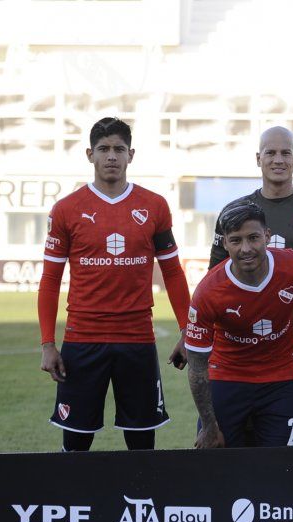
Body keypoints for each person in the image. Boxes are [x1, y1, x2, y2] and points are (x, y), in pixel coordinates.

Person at [38, 117, 190, 451]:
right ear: (89, 154)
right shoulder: (66, 209)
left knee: (141, 441)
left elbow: (173, 273)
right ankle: (75, 502)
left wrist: (187, 330)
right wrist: (48, 343)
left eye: (118, 149)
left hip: (137, 340)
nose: (111, 156)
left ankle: (141, 503)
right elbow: (50, 279)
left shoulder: (154, 205)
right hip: (82, 340)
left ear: (130, 155)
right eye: (104, 149)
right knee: (76, 441)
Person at [210, 126, 293, 445]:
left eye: (286, 152)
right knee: (241, 437)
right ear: (258, 159)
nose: (278, 159)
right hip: (245, 350)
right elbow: (214, 278)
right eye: (270, 153)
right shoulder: (234, 212)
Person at [185, 201, 293, 448]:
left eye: (253, 238)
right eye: (236, 240)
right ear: (225, 243)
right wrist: (209, 425)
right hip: (227, 378)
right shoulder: (208, 291)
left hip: (279, 380)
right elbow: (197, 369)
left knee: (281, 464)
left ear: (267, 236)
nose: (246, 249)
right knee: (216, 464)